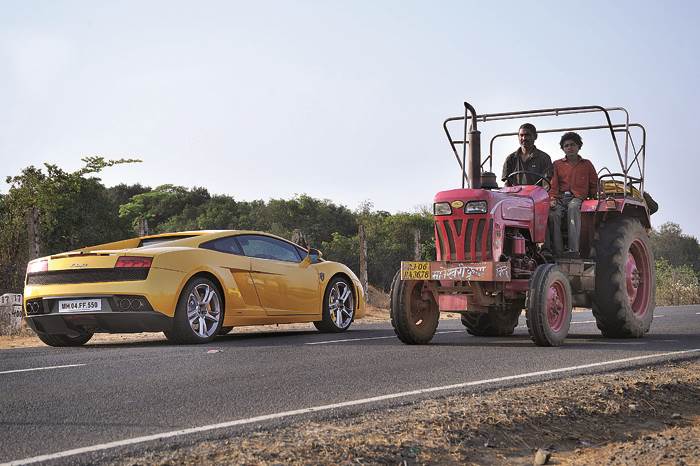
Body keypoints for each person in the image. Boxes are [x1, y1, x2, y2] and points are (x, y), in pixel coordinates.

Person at [546, 132, 598, 258]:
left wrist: (594, 196)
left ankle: (573, 250)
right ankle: (557, 252)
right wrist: (552, 199)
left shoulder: (587, 164)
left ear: (579, 146)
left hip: (578, 198)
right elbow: (553, 184)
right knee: (553, 214)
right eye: (566, 145)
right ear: (563, 148)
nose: (569, 147)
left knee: (573, 208)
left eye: (572, 145)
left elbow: (594, 183)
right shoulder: (557, 164)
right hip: (561, 197)